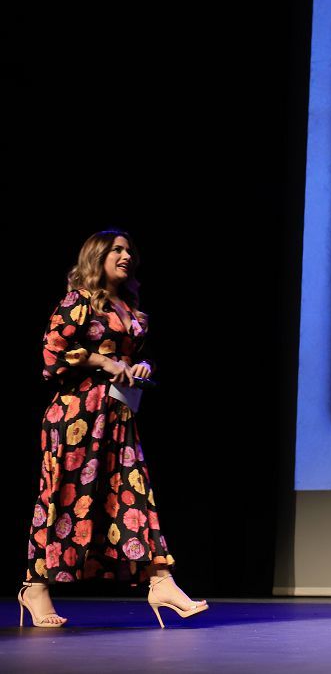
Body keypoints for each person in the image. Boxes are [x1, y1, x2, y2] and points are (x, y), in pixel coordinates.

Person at [18, 230, 207, 628]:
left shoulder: (129, 310)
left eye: (128, 250)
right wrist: (103, 363)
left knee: (132, 493)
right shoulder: (78, 301)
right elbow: (51, 353)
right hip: (75, 418)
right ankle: (35, 587)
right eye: (116, 250)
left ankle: (161, 580)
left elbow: (133, 358)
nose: (126, 255)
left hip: (117, 417)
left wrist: (142, 368)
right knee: (62, 496)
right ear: (96, 256)